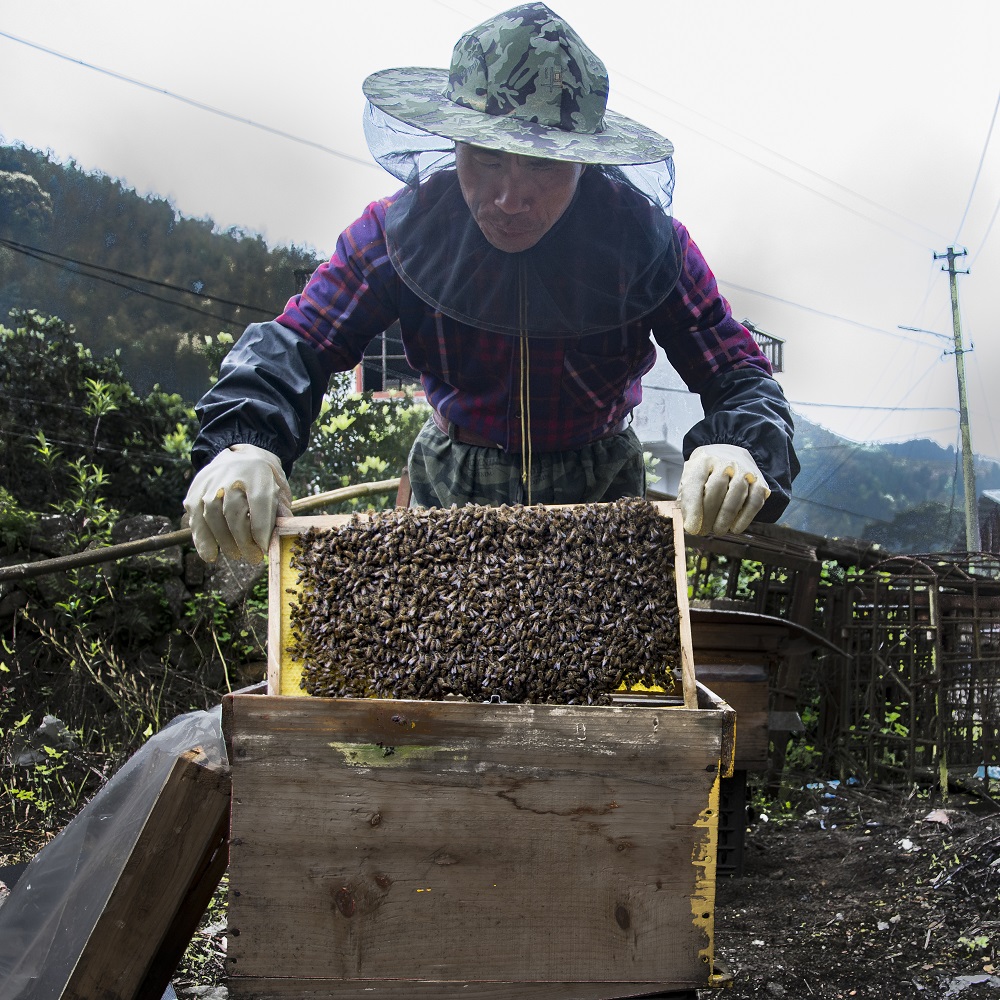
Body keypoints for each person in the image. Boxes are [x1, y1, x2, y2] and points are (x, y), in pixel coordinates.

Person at [184, 2, 799, 564]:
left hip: (601, 489)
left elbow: (740, 375)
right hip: (450, 481)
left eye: (541, 164)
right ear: (453, 141)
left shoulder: (645, 244)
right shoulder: (400, 231)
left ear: (585, 157)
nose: (509, 198)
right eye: (485, 157)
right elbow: (298, 341)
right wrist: (244, 444)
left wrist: (739, 446)